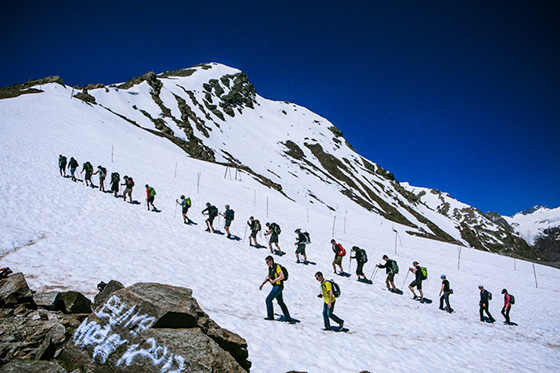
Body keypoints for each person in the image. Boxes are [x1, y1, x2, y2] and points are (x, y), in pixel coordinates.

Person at [259, 256, 292, 322]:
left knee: (268, 300)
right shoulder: (270, 268)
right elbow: (268, 277)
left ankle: (270, 316)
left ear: (271, 261)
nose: (267, 263)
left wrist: (274, 281)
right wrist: (262, 284)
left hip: (278, 286)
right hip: (277, 286)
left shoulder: (277, 267)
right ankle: (288, 317)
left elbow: (282, 276)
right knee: (280, 302)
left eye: (267, 262)